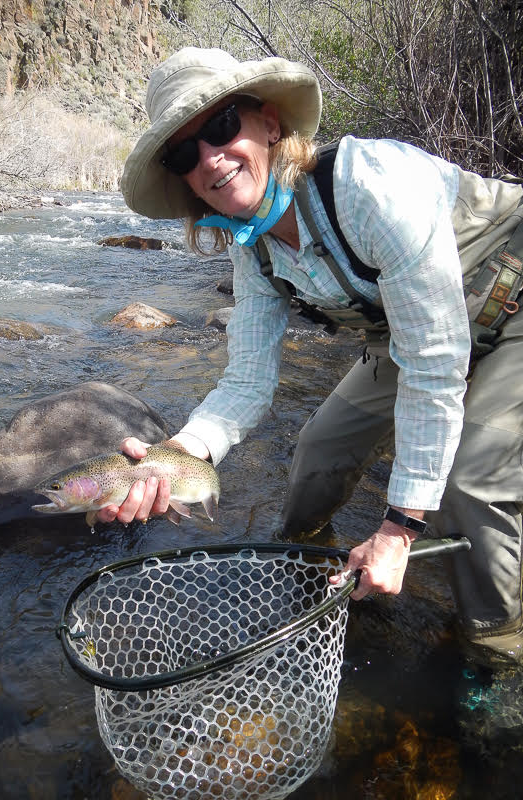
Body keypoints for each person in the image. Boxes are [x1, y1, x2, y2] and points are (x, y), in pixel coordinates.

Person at [99, 47, 523, 664]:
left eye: (220, 128)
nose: (211, 158)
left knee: (470, 486)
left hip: (511, 299)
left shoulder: (369, 187)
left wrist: (399, 529)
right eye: (185, 154)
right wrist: (178, 455)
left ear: (269, 123)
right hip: (410, 334)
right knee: (317, 454)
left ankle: (499, 648)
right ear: (183, 179)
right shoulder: (254, 251)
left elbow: (435, 366)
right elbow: (246, 383)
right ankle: (311, 570)